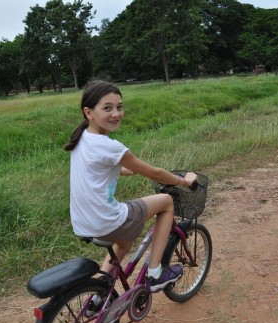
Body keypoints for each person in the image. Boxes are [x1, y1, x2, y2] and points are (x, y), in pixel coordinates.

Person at [63, 80, 197, 293]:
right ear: (89, 112)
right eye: (107, 108)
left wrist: (124, 170)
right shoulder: (110, 146)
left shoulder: (80, 138)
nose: (116, 113)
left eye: (119, 107)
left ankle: (101, 290)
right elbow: (155, 173)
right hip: (106, 220)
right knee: (166, 201)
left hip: (83, 222)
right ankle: (155, 273)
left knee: (124, 242)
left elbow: (95, 168)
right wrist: (184, 181)